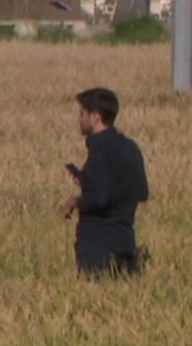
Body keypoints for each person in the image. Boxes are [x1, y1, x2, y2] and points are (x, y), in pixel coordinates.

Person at [63, 87, 149, 277]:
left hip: (97, 248)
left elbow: (99, 198)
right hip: (126, 244)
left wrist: (75, 201)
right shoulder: (131, 148)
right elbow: (142, 192)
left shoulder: (99, 152)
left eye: (82, 113)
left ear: (95, 117)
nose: (79, 119)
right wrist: (88, 181)